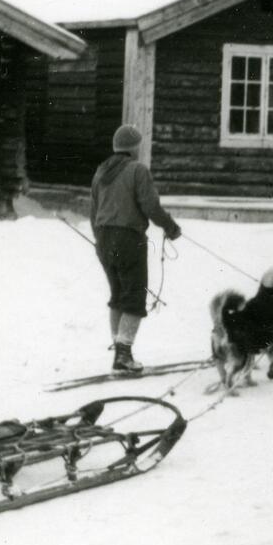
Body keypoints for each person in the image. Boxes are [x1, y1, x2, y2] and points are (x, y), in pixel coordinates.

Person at [89, 124, 181, 375]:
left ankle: (119, 348)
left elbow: (93, 211)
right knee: (134, 297)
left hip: (104, 238)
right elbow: (150, 205)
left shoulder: (101, 171)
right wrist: (170, 227)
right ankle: (123, 356)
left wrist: (100, 239)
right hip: (128, 238)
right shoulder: (137, 170)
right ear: (133, 147)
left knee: (118, 295)